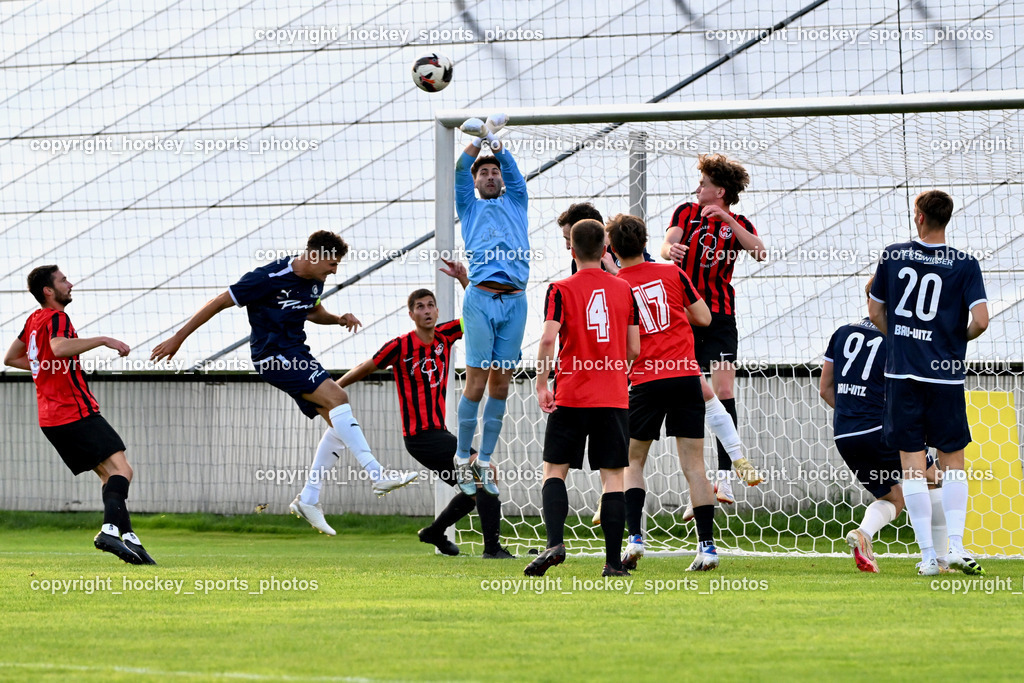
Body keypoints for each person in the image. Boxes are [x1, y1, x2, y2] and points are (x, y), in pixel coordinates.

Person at [151, 231, 416, 536]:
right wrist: (178, 338)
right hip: (272, 357)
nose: (335, 271)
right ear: (314, 256)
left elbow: (313, 310)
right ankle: (377, 474)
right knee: (339, 399)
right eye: (332, 264)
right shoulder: (266, 277)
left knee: (340, 423)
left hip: (298, 353)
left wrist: (338, 319)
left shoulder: (315, 279)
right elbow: (218, 302)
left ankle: (309, 499)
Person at [331, 262, 513, 558]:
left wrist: (463, 278)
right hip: (420, 437)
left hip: (438, 433)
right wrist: (332, 389)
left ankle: (434, 532)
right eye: (420, 307)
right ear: (411, 314)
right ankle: (492, 549)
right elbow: (366, 366)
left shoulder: (446, 335)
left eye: (430, 305)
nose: (426, 311)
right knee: (484, 472)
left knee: (473, 488)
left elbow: (478, 312)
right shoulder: (399, 346)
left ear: (437, 311)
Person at [868, 190, 988, 576]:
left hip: (902, 374)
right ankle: (956, 546)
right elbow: (981, 321)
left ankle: (927, 558)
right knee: (953, 463)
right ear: (947, 218)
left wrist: (899, 340)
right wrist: (953, 341)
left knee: (912, 468)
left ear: (919, 216)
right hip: (944, 375)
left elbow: (875, 307)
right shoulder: (965, 264)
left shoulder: (893, 255)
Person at [5, 266, 155, 564]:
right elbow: (59, 348)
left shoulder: (34, 320)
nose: (70, 284)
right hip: (74, 411)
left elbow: (11, 358)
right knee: (122, 470)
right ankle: (109, 531)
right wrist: (104, 339)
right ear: (48, 291)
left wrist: (44, 367)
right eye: (63, 280)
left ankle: (129, 537)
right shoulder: (57, 317)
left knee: (108, 474)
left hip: (51, 419)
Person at [524, 219, 640, 577]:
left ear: (571, 249)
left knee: (554, 470)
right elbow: (634, 348)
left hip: (571, 395)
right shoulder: (625, 289)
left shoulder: (560, 289)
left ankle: (555, 543)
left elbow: (548, 340)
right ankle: (612, 563)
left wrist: (542, 384)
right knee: (613, 478)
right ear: (605, 249)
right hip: (613, 397)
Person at [609, 214, 721, 572]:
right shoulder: (674, 273)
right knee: (694, 466)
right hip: (685, 376)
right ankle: (707, 548)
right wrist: (673, 314)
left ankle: (635, 539)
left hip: (645, 380)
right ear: (645, 242)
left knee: (633, 462)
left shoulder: (616, 285)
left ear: (613, 249)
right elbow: (704, 318)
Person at [821, 277, 949, 573]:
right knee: (935, 479)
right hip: (882, 430)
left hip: (846, 434)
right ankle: (939, 559)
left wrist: (856, 414)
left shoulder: (842, 333)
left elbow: (825, 390)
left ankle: (863, 534)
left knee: (893, 496)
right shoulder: (899, 340)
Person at [661, 154, 765, 506]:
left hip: (720, 317)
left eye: (703, 184)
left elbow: (759, 252)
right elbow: (666, 244)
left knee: (724, 390)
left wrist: (726, 220)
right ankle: (698, 486)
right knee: (693, 392)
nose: (697, 189)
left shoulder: (738, 223)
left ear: (720, 191)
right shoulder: (685, 213)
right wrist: (670, 249)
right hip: (686, 317)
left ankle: (725, 480)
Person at [451, 113, 529, 499]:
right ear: (476, 182)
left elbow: (512, 170)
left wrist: (492, 138)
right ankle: (461, 457)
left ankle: (484, 459)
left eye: (495, 172)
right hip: (480, 300)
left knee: (501, 384)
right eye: (484, 173)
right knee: (477, 382)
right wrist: (478, 140)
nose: (491, 176)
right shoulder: (468, 206)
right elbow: (459, 170)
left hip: (515, 301)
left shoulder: (517, 200)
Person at [557, 202, 653, 275]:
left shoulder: (625, 242)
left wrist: (616, 271)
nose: (567, 246)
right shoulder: (578, 262)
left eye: (569, 239)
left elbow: (650, 278)